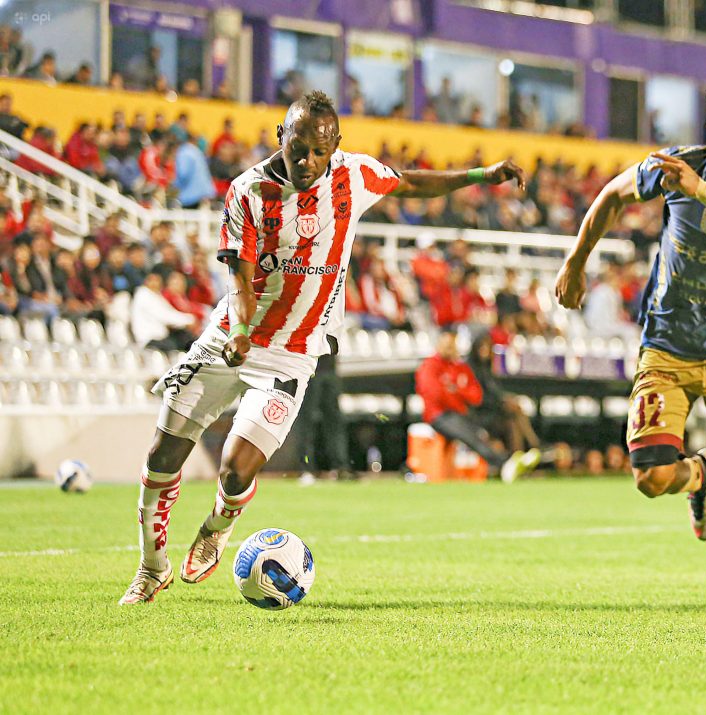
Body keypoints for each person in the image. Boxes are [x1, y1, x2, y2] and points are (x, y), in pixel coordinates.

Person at [119, 90, 527, 605]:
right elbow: (239, 277)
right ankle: (151, 568)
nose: (308, 161)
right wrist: (242, 331)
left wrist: (478, 176)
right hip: (230, 339)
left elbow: (413, 183)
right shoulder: (248, 192)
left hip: (291, 355)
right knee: (162, 456)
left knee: (235, 466)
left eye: (319, 150)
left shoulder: (353, 176)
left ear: (335, 143)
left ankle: (218, 527)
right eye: (297, 149)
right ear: (280, 139)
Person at [554, 72, 706, 599]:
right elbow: (611, 195)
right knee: (650, 479)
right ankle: (699, 475)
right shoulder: (676, 165)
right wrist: (576, 263)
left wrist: (702, 192)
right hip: (667, 349)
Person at [415, 330, 540, 482]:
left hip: (462, 413)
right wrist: (457, 394)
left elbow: (476, 395)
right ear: (439, 345)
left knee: (500, 422)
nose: (449, 349)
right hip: (440, 415)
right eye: (446, 345)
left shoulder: (459, 367)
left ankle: (519, 456)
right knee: (471, 435)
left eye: (452, 345)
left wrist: (455, 390)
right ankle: (504, 463)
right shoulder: (429, 366)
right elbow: (435, 394)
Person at [467, 333, 540, 454]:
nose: (485, 350)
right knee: (515, 411)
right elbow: (477, 398)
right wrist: (501, 403)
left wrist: (506, 399)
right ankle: (535, 447)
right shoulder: (471, 370)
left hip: (495, 411)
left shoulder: (487, 369)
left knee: (513, 421)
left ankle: (519, 455)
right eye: (482, 347)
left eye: (487, 347)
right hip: (482, 414)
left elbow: (496, 392)